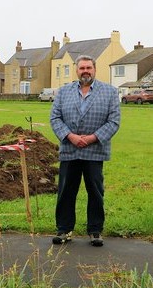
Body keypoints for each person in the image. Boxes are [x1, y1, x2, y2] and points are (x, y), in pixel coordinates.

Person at [50, 54, 121, 247]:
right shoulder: (63, 92)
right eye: (82, 68)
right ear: (77, 70)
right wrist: (70, 136)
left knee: (95, 191)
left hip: (95, 150)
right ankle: (64, 230)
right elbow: (55, 118)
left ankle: (95, 230)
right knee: (65, 191)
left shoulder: (110, 92)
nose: (85, 71)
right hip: (69, 149)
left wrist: (92, 138)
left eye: (89, 68)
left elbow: (114, 122)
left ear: (95, 69)